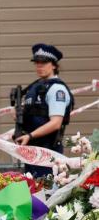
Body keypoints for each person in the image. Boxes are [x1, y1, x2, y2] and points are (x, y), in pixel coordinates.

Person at [14, 43, 74, 177]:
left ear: (54, 65)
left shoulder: (56, 89)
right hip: (32, 149)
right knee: (33, 190)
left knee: (45, 191)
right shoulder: (35, 87)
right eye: (37, 63)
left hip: (48, 150)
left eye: (44, 63)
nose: (39, 66)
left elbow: (55, 123)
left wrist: (30, 136)